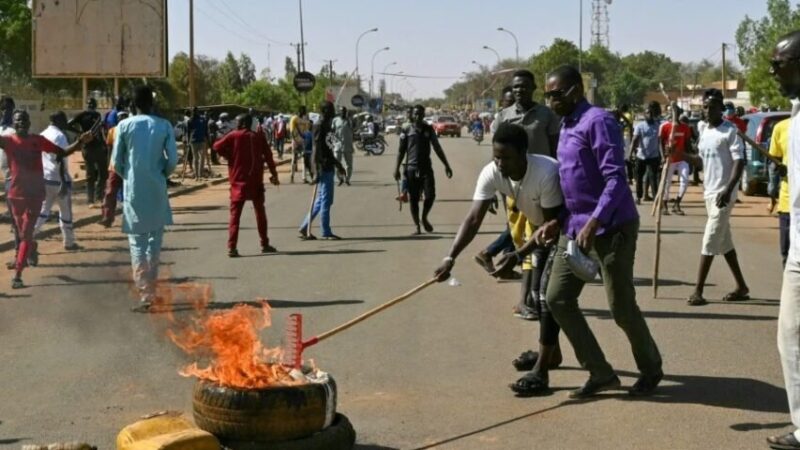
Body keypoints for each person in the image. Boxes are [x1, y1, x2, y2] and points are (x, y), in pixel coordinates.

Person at [536, 65, 663, 398]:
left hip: (612, 227)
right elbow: (572, 183)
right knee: (557, 298)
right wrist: (559, 218)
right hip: (575, 228)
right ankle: (600, 372)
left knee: (621, 307)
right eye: (547, 95)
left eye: (557, 94)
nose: (551, 101)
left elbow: (616, 179)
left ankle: (650, 368)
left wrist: (596, 220)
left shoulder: (599, 121)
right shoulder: (565, 126)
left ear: (577, 90)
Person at [433, 123, 564, 396]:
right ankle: (550, 354)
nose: (500, 163)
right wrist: (450, 258)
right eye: (496, 156)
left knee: (546, 297)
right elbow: (473, 219)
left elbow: (553, 225)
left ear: (524, 153)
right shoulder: (492, 171)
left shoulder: (546, 172)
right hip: (538, 234)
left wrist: (518, 254)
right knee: (538, 300)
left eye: (506, 157)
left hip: (563, 232)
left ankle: (542, 370)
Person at [0, 111, 91, 288]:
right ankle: (31, 247)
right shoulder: (8, 141)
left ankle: (18, 275)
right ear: (14, 122)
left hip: (35, 194)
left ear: (29, 122)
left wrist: (80, 141)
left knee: (26, 233)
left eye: (25, 120)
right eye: (18, 121)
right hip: (15, 196)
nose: (22, 124)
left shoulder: (38, 140)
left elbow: (63, 153)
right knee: (22, 234)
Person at [111, 85, 178, 307]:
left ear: (133, 105)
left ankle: (145, 292)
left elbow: (116, 163)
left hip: (134, 191)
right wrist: (161, 175)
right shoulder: (164, 125)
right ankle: (151, 286)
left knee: (137, 243)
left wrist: (129, 177)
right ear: (152, 103)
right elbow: (172, 162)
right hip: (157, 187)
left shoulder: (124, 126)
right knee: (154, 241)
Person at [681, 89, 750, 306]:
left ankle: (698, 290)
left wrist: (728, 190)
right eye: (705, 107)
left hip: (724, 194)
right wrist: (678, 154)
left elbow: (739, 162)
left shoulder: (730, 131)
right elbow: (701, 161)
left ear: (721, 108)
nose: (707, 111)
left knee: (710, 238)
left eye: (712, 107)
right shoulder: (703, 129)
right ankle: (741, 286)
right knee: (724, 242)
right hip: (709, 193)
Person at [769, 28, 800, 450]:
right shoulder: (792, 122)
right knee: (789, 335)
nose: (773, 70)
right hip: (798, 248)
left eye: (780, 62)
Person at [212, 113, 279, 257]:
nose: (236, 124)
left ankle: (232, 247)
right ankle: (264, 243)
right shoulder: (258, 137)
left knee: (235, 216)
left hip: (238, 181)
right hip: (255, 181)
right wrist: (274, 174)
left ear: (242, 123)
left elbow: (216, 146)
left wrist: (229, 156)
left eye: (237, 122)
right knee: (260, 213)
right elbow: (268, 156)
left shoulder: (233, 136)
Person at [394, 104, 453, 235]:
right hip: (411, 168)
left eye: (420, 114)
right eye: (415, 114)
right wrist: (396, 168)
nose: (417, 116)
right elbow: (401, 151)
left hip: (426, 168)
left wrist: (446, 165)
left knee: (430, 195)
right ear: (412, 115)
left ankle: (424, 217)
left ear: (423, 115)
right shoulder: (407, 129)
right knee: (413, 199)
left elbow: (437, 147)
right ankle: (417, 226)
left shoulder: (428, 129)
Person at [298, 101, 346, 240]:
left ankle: (304, 226)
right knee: (326, 200)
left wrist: (338, 165)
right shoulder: (319, 126)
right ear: (326, 111)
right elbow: (315, 150)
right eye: (331, 110)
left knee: (321, 200)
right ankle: (325, 231)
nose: (333, 112)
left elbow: (328, 149)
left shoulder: (327, 126)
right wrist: (315, 170)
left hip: (328, 165)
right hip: (323, 167)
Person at [33, 111, 81, 250]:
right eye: (64, 120)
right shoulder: (60, 136)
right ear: (59, 121)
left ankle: (29, 235)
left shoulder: (43, 133)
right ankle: (69, 242)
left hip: (45, 177)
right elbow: (62, 159)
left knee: (43, 211)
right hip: (59, 179)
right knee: (65, 212)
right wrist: (65, 180)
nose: (66, 123)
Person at [68, 97, 107, 207]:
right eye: (89, 104)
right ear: (87, 105)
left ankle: (99, 197)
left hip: (99, 147)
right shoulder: (82, 115)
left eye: (92, 104)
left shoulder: (98, 116)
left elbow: (100, 131)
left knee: (103, 173)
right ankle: (90, 200)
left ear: (95, 105)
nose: (91, 105)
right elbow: (68, 124)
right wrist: (80, 132)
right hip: (87, 147)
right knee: (90, 175)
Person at [659, 106, 692, 215]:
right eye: (673, 112)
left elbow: (688, 143)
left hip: (682, 158)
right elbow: (660, 142)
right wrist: (663, 156)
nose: (675, 115)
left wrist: (690, 157)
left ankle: (677, 203)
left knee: (685, 181)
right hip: (669, 159)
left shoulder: (685, 127)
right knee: (667, 182)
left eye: (677, 112)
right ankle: (664, 205)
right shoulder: (664, 126)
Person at [100, 111, 130, 227]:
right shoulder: (113, 131)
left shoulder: (132, 131)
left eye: (124, 117)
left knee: (129, 194)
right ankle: (107, 217)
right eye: (120, 117)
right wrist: (109, 164)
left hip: (129, 167)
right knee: (110, 192)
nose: (122, 118)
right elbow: (109, 149)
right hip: (114, 167)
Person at [630, 101, 663, 204]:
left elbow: (660, 141)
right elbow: (635, 140)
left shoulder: (658, 126)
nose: (649, 115)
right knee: (639, 177)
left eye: (651, 113)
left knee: (654, 178)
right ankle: (638, 197)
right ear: (644, 114)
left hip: (654, 156)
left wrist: (662, 156)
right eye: (647, 113)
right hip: (641, 156)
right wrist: (630, 154)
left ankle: (655, 198)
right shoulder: (640, 126)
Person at [769, 118, 791, 266]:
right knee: (787, 254)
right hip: (788, 203)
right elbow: (774, 160)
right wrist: (778, 166)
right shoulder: (781, 128)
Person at [332, 107, 354, 186]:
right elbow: (332, 131)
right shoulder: (335, 120)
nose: (343, 113)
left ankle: (347, 179)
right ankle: (340, 178)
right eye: (342, 112)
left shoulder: (349, 120)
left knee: (349, 164)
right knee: (337, 164)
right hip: (337, 146)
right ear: (339, 112)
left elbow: (353, 129)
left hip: (348, 146)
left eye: (345, 112)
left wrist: (349, 120)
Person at [186, 107, 209, 181]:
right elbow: (188, 132)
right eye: (194, 111)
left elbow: (206, 130)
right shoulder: (190, 120)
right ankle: (196, 175)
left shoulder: (203, 120)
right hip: (194, 141)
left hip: (202, 140)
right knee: (196, 158)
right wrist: (188, 141)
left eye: (196, 111)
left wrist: (207, 138)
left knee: (202, 158)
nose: (195, 112)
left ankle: (200, 174)